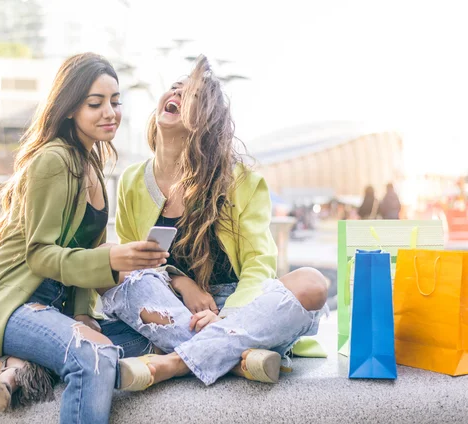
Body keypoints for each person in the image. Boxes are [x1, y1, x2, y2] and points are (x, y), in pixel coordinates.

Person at [0, 53, 169, 424]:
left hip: (58, 313)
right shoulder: (53, 160)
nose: (109, 111)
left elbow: (82, 253)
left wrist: (82, 313)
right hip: (13, 308)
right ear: (68, 109)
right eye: (95, 103)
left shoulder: (90, 164)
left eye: (115, 101)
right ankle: (22, 362)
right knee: (93, 356)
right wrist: (111, 260)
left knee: (142, 340)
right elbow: (40, 256)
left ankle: (24, 370)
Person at [101, 56, 329, 391]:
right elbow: (136, 267)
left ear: (206, 120)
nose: (177, 93)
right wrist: (181, 283)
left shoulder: (241, 181)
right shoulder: (134, 180)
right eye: (176, 87)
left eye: (192, 95)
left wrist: (227, 318)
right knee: (109, 262)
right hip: (172, 309)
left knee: (313, 283)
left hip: (241, 311)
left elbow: (258, 263)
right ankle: (237, 358)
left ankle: (175, 362)